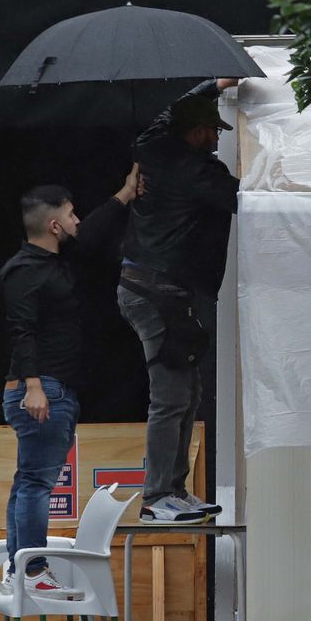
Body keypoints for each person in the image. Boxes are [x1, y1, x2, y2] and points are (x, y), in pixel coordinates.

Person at [0, 170, 140, 598]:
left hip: (55, 389)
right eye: (71, 213)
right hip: (42, 391)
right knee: (37, 484)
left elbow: (94, 230)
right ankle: (32, 569)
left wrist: (125, 194)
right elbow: (20, 329)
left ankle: (17, 565)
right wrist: (34, 386)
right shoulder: (23, 270)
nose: (78, 219)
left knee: (27, 482)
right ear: (54, 225)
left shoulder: (57, 263)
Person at [119, 78, 240, 525]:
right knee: (171, 397)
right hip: (156, 293)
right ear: (195, 133)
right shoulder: (196, 171)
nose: (217, 139)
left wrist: (212, 86)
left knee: (188, 393)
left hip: (149, 288)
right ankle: (156, 498)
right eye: (213, 131)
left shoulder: (152, 146)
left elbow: (166, 113)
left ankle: (174, 490)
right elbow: (246, 199)